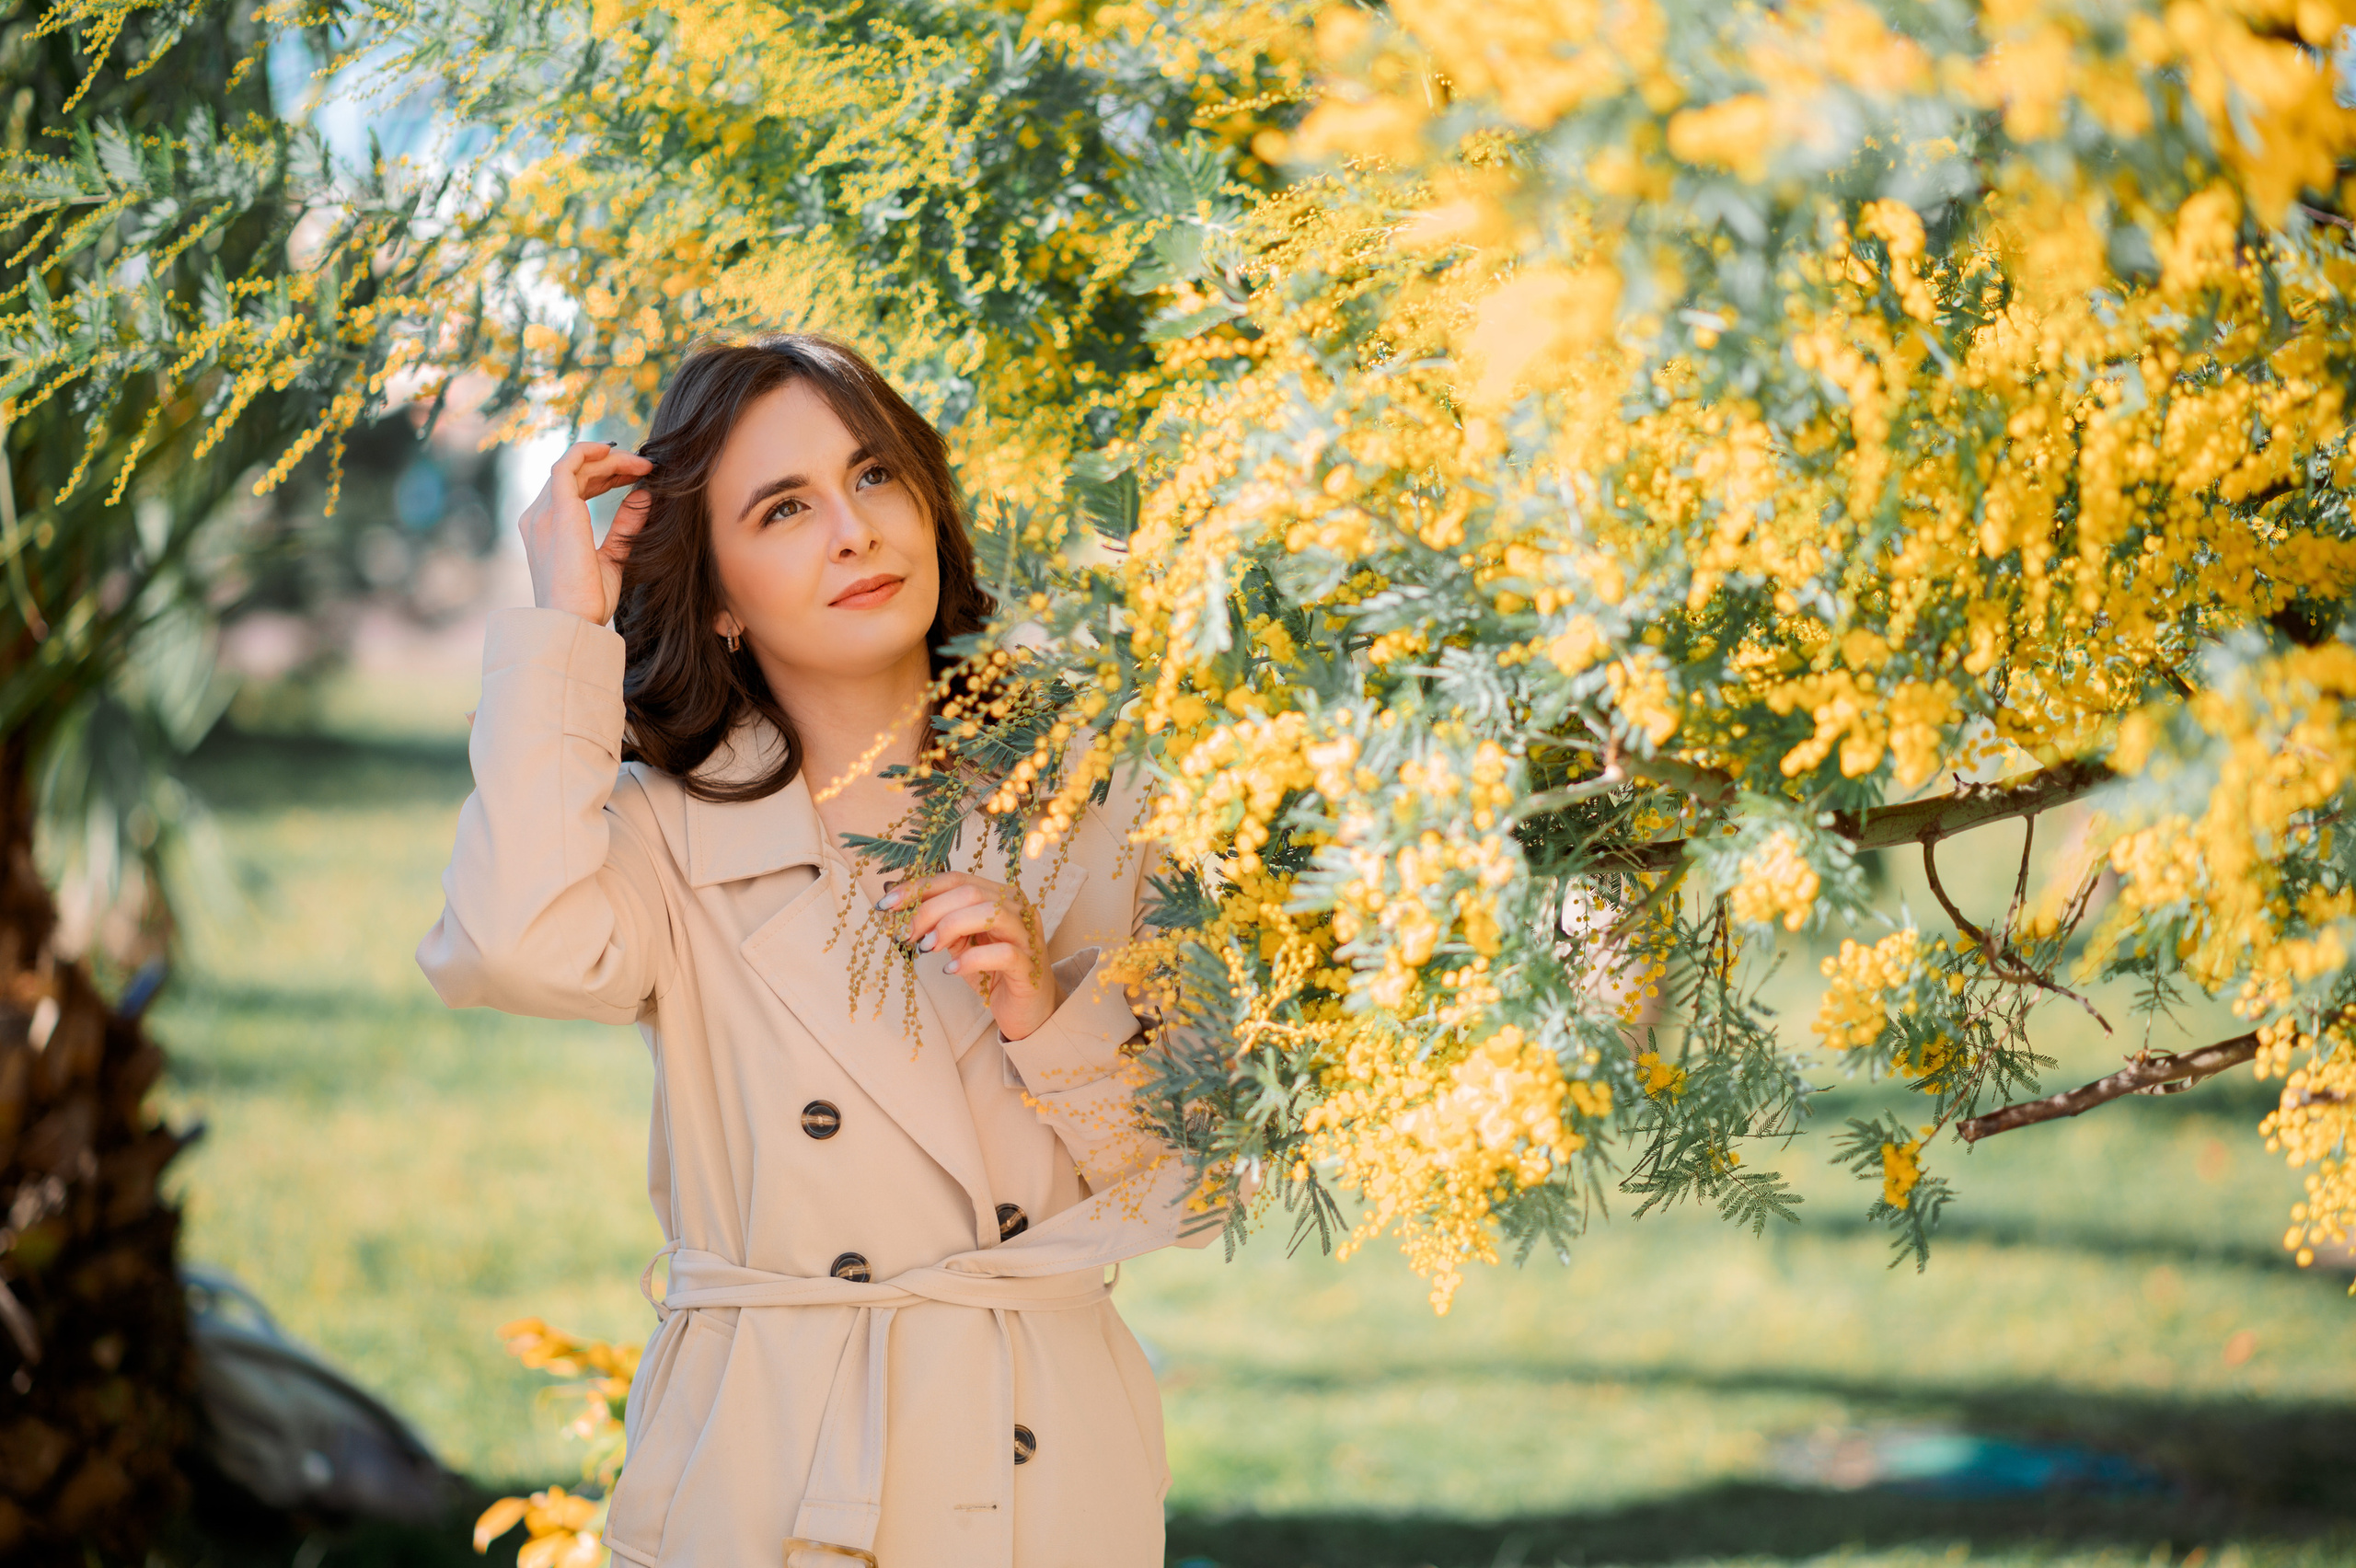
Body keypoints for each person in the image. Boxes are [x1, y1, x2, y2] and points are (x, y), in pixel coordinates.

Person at [417, 334, 1207, 1568]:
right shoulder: (668, 830)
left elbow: (1203, 1184)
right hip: (769, 1471)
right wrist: (567, 627)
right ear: (719, 595)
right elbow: (507, 952)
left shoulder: (1089, 801)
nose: (854, 530)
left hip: (1049, 1473)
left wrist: (1043, 1018)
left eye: (876, 476)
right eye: (786, 508)